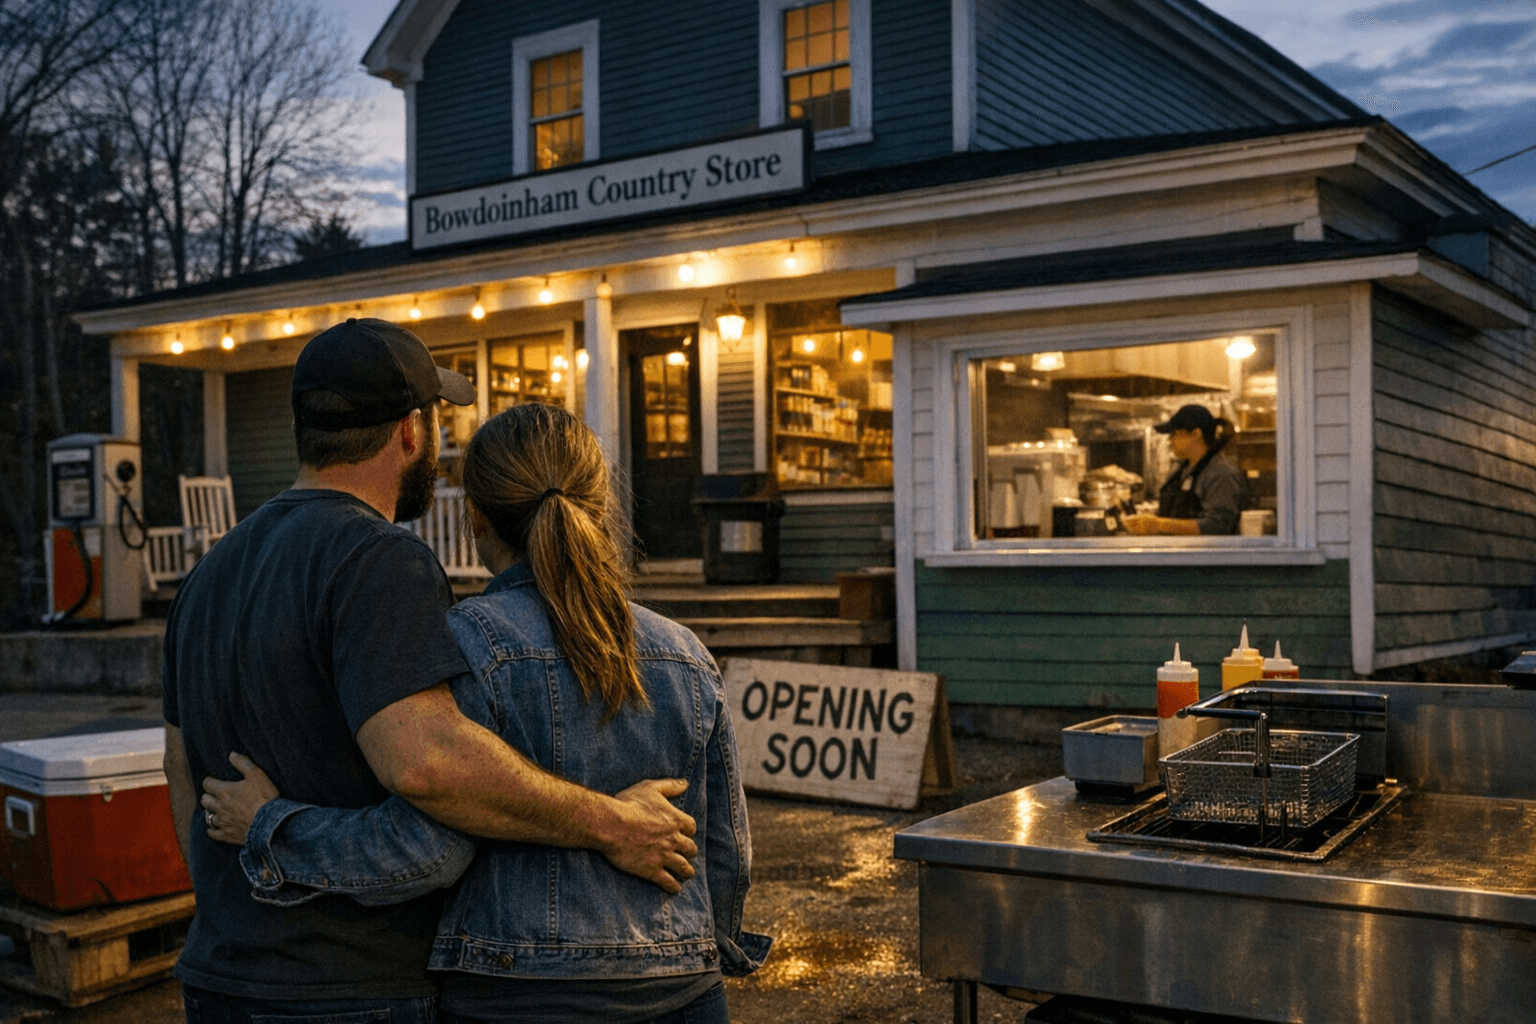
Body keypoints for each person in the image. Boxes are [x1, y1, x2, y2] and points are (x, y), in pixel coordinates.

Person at [162, 319, 698, 1024]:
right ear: (411, 432)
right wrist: (613, 824)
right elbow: (428, 766)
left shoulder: (207, 574)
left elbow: (178, 768)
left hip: (220, 974)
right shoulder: (378, 559)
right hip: (348, 987)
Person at [1122, 403, 1244, 536]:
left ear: (1196, 434)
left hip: (1205, 555)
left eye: (1174, 433)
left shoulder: (1221, 473)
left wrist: (1159, 524)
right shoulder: (1184, 470)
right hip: (1179, 553)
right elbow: (1176, 514)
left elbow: (1217, 525)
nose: (1169, 439)